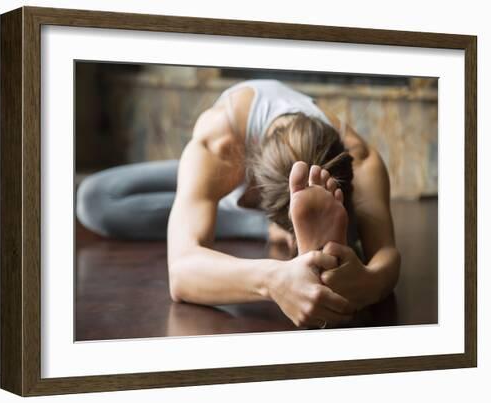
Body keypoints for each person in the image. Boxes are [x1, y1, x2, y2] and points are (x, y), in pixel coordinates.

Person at [76, 79, 401, 329]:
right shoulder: (221, 143)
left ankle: (316, 238)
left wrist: (369, 282)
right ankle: (266, 227)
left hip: (311, 191)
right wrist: (273, 280)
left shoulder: (360, 158)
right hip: (231, 179)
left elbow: (387, 254)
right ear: (254, 189)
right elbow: (181, 273)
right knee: (95, 198)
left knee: (357, 220)